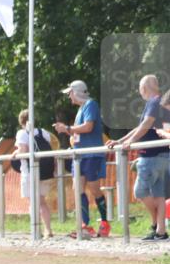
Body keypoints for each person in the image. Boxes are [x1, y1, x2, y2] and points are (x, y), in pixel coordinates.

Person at [107, 75, 168, 242]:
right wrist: (120, 141)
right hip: (161, 155)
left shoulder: (154, 102)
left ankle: (156, 225)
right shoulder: (160, 103)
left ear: (144, 89)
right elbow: (140, 126)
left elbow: (146, 124)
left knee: (140, 192)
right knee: (159, 194)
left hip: (152, 156)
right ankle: (160, 230)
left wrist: (130, 142)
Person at [53, 80, 109, 238]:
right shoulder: (80, 109)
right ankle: (85, 225)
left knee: (94, 189)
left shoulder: (91, 104)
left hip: (92, 154)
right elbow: (80, 131)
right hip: (80, 155)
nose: (69, 97)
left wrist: (67, 129)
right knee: (77, 189)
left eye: (70, 93)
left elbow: (88, 126)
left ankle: (104, 222)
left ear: (76, 92)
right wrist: (68, 132)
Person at [11, 109, 55, 239]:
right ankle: (48, 229)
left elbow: (23, 150)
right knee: (42, 201)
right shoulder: (44, 132)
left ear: (21, 121)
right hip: (45, 172)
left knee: (33, 202)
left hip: (30, 172)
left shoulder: (22, 133)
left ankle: (36, 230)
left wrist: (14, 153)